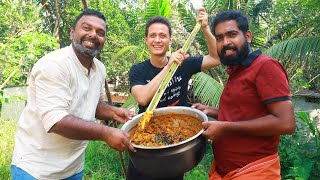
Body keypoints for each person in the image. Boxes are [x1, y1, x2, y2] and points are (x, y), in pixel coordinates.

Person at [11, 9, 136, 180]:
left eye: (100, 33)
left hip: (73, 168)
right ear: (72, 33)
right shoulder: (54, 65)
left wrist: (114, 112)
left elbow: (94, 104)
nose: (93, 35)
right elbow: (55, 121)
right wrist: (106, 133)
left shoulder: (99, 68)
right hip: (36, 169)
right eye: (86, 28)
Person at [192, 10, 296, 179]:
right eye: (219, 38)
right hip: (226, 170)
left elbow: (285, 123)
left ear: (247, 36)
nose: (225, 42)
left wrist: (224, 127)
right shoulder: (237, 70)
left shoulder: (265, 66)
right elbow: (247, 113)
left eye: (232, 34)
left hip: (255, 171)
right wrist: (212, 111)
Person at [127, 8, 220, 180]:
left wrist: (205, 28)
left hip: (175, 144)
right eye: (153, 35)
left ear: (170, 40)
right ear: (146, 39)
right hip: (145, 147)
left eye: (162, 36)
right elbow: (142, 97)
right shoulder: (138, 70)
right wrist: (168, 67)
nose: (157, 40)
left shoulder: (184, 64)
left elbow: (216, 58)